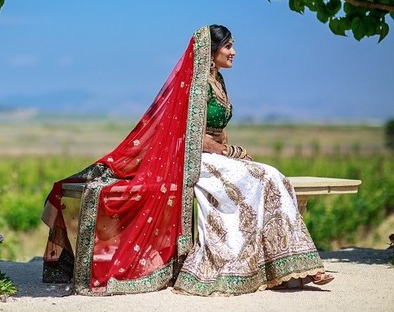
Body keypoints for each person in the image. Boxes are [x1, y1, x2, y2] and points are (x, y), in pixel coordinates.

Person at [41, 25, 334, 296]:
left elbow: (219, 132)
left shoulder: (217, 81)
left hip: (216, 157)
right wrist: (232, 154)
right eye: (228, 46)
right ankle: (240, 264)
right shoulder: (196, 85)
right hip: (194, 160)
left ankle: (292, 265)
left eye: (233, 46)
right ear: (212, 50)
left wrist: (233, 152)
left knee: (273, 176)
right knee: (265, 177)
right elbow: (191, 136)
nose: (234, 52)